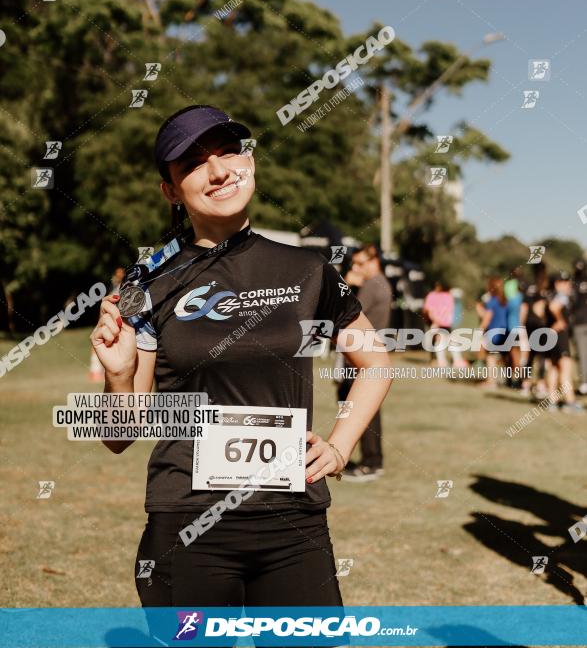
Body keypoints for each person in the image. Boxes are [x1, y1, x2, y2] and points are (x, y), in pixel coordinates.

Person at [90, 104, 393, 613]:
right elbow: (119, 436)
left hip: (293, 519)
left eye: (229, 151)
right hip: (186, 520)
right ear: (170, 191)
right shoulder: (148, 284)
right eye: (192, 164)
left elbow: (376, 362)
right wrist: (119, 376)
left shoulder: (309, 268)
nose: (219, 170)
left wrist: (340, 448)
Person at [339, 244, 392, 482]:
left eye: (361, 263)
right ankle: (370, 460)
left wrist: (346, 284)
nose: (357, 268)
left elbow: (343, 311)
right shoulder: (380, 283)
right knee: (363, 408)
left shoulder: (371, 285)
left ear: (374, 261)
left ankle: (370, 462)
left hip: (361, 355)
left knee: (359, 408)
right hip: (368, 352)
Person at [545, 272, 583, 413]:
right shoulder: (560, 296)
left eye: (568, 282)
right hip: (560, 337)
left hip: (552, 336)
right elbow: (553, 307)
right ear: (557, 283)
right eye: (564, 282)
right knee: (566, 368)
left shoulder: (550, 294)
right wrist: (560, 320)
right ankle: (570, 402)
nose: (568, 285)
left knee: (554, 368)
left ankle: (552, 402)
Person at [477, 277, 509, 388]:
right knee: (503, 357)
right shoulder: (505, 301)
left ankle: (491, 382)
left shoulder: (492, 301)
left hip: (493, 332)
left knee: (490, 357)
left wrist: (480, 330)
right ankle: (508, 381)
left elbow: (487, 317)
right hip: (505, 331)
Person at [422, 282, 454, 367]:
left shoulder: (445, 296)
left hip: (441, 322)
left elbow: (448, 310)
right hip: (437, 322)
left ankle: (441, 361)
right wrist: (435, 321)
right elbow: (428, 309)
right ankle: (438, 361)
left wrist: (437, 321)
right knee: (437, 340)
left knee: (441, 340)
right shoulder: (434, 295)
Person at [571, 260, 587, 395]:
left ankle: (584, 383)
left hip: (579, 322)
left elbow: (572, 303)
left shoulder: (572, 283)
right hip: (580, 322)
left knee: (582, 354)